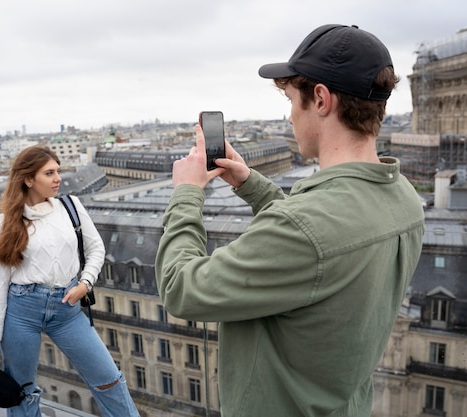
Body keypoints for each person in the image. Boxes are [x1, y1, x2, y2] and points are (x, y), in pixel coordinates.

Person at [155, 24, 425, 417]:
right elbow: (321, 248)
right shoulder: (404, 199)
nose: (288, 116)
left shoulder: (306, 227)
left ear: (320, 99)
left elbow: (181, 289)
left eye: (290, 99)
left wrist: (187, 193)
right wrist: (250, 184)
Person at [0, 145, 139, 417]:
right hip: (22, 311)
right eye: (49, 173)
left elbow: (96, 249)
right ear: (29, 179)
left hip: (68, 307)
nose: (58, 178)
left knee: (110, 379)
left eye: (58, 171)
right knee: (23, 392)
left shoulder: (70, 206)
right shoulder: (5, 223)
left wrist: (85, 283)